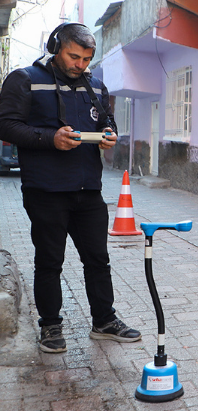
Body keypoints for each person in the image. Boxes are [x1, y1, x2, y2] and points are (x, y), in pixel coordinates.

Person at [0, 22, 141, 353]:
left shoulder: (95, 86)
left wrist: (109, 136)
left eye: (86, 59)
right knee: (50, 261)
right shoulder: (24, 80)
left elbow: (107, 121)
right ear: (55, 47)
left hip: (88, 189)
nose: (80, 65)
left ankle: (104, 321)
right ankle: (50, 326)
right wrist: (51, 138)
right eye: (74, 57)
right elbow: (6, 124)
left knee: (97, 259)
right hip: (46, 190)